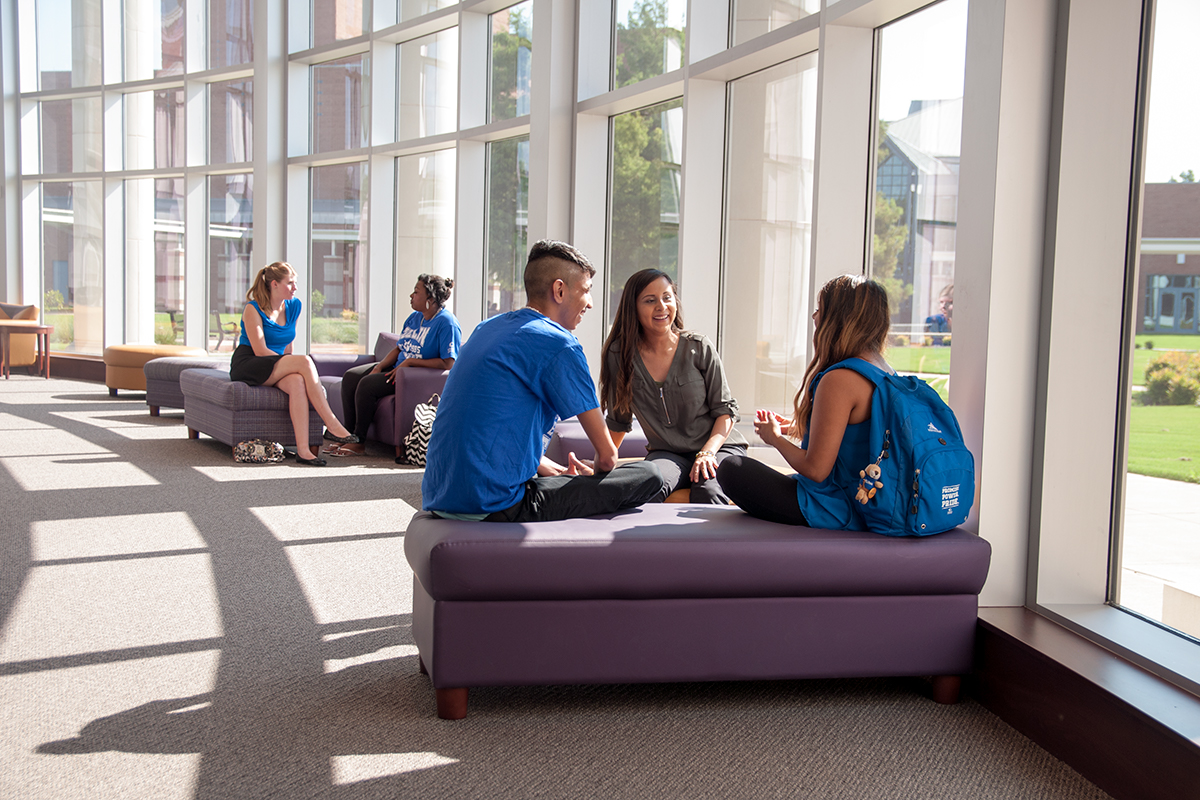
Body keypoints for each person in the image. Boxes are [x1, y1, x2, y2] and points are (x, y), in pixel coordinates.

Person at [421, 240, 665, 522]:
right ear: (559, 290)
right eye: (586, 291)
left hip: (441, 495)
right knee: (649, 474)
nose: (590, 303)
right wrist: (591, 475)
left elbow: (490, 427)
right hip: (495, 504)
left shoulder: (486, 328)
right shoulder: (559, 344)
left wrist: (552, 469)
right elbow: (608, 456)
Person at [717, 274, 893, 527]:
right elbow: (857, 437)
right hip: (871, 499)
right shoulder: (884, 370)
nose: (814, 317)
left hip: (840, 508)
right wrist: (794, 427)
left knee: (732, 468)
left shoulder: (840, 379)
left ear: (838, 318)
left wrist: (774, 438)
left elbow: (816, 470)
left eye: (820, 309)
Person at [599, 269, 748, 504]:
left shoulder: (699, 347)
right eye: (650, 300)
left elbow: (726, 411)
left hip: (718, 447)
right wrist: (601, 463)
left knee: (708, 492)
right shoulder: (619, 355)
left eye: (667, 297)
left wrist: (707, 453)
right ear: (633, 308)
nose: (661, 306)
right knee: (646, 490)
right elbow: (619, 420)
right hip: (668, 454)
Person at [229, 261, 358, 466]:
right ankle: (331, 424)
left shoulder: (294, 305)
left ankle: (304, 451)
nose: (295, 287)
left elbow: (288, 346)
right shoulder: (252, 309)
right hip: (250, 362)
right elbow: (261, 351)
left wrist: (290, 364)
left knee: (298, 381)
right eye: (290, 283)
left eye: (295, 283)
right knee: (305, 362)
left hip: (276, 362)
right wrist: (291, 362)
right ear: (274, 284)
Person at [327, 274, 462, 457]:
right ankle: (348, 437)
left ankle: (359, 441)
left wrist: (410, 363)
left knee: (366, 386)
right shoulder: (415, 318)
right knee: (351, 376)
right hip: (398, 369)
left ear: (430, 298)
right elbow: (399, 348)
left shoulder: (447, 323)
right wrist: (380, 366)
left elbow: (449, 363)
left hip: (413, 378)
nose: (411, 296)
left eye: (416, 292)